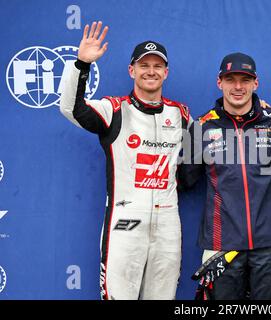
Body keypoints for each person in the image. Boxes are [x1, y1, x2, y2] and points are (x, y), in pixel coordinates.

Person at [59, 21, 192, 300]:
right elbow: (70, 107)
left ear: (166, 73)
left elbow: (212, 138)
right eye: (144, 65)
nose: (151, 71)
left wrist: (258, 108)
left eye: (157, 66)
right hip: (125, 224)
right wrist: (81, 65)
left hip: (168, 224)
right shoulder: (114, 109)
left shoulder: (181, 115)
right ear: (132, 70)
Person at [179, 52, 271, 300]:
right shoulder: (200, 127)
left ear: (256, 83)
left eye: (245, 79)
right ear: (220, 83)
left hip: (270, 243)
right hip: (222, 245)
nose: (238, 87)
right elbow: (182, 180)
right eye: (231, 80)